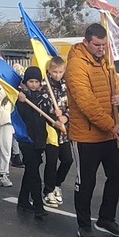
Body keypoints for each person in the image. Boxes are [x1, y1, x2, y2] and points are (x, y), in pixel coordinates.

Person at [65, 24, 119, 237]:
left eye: (104, 44)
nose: (101, 49)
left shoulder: (107, 61)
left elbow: (118, 86)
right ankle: (84, 225)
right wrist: (110, 125)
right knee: (86, 181)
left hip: (109, 135)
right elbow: (86, 102)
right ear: (86, 41)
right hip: (86, 135)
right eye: (97, 45)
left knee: (118, 172)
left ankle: (106, 218)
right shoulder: (75, 65)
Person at [13, 65, 58, 217]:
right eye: (30, 81)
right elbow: (20, 116)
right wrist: (20, 102)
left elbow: (48, 116)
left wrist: (57, 120)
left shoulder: (43, 97)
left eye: (36, 81)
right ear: (25, 82)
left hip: (39, 140)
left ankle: (23, 200)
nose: (33, 84)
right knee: (34, 174)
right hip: (26, 139)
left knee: (31, 170)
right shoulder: (21, 97)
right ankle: (38, 206)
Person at [43, 54, 74, 208]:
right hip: (50, 130)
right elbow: (42, 108)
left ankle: (57, 184)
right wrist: (55, 120)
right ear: (49, 70)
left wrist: (66, 118)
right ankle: (48, 191)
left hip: (64, 130)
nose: (57, 75)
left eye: (60, 72)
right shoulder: (44, 85)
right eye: (55, 72)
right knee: (52, 161)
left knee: (68, 159)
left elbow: (71, 105)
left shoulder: (66, 85)